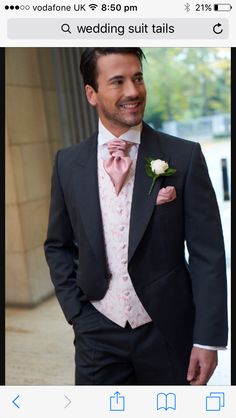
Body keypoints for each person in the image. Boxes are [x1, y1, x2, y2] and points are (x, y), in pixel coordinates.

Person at [44, 47, 228, 385]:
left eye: (138, 78)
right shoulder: (67, 164)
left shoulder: (183, 157)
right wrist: (77, 314)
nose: (133, 91)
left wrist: (206, 338)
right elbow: (58, 245)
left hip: (169, 332)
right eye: (117, 81)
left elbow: (208, 254)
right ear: (91, 94)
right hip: (96, 332)